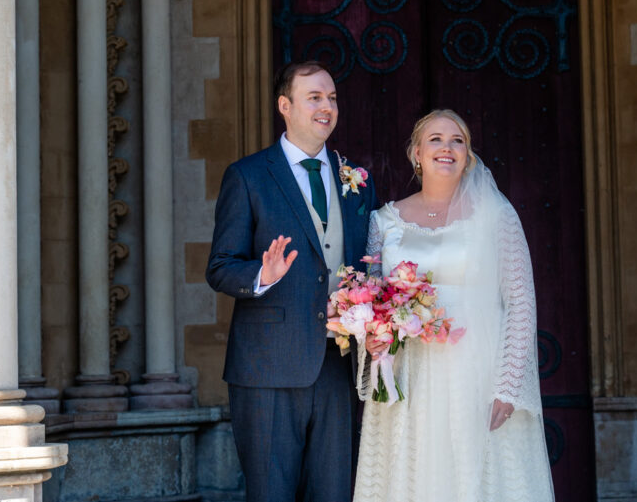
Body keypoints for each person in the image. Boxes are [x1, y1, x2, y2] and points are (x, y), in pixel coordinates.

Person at [353, 109, 554, 502]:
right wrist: (371, 341)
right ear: (416, 153)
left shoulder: (497, 216)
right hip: (410, 374)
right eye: (435, 139)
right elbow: (372, 299)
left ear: (468, 154)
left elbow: (521, 303)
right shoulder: (383, 222)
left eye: (457, 140)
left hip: (477, 373)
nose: (447, 148)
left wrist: (508, 387)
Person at [206, 61, 377, 502]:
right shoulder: (247, 176)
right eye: (314, 97)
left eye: (332, 98)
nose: (327, 107)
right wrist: (263, 274)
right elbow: (220, 266)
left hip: (337, 367)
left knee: (335, 493)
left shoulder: (356, 179)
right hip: (266, 368)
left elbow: (367, 266)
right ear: (285, 106)